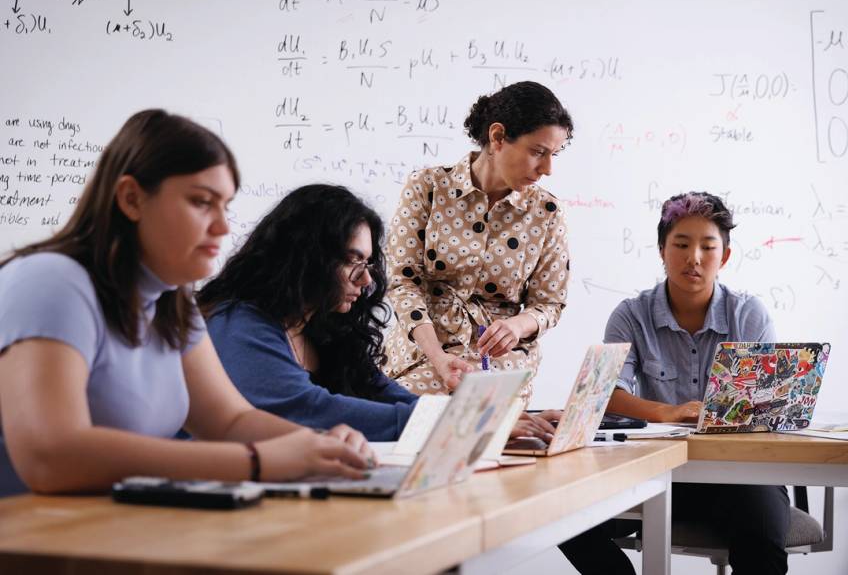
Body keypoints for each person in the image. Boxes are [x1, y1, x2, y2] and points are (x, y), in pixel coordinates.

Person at [0, 110, 373, 497]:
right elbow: (50, 458)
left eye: (225, 206)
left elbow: (229, 421)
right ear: (131, 199)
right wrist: (257, 462)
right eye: (201, 202)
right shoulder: (49, 281)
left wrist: (321, 445)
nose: (223, 226)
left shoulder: (170, 300)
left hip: (107, 530)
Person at [197, 184, 559, 443]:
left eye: (369, 263)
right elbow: (308, 410)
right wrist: (461, 423)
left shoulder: (323, 329)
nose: (367, 279)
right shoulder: (239, 321)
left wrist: (492, 418)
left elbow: (389, 396)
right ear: (306, 258)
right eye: (354, 261)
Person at [560, 191, 788, 575]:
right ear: (662, 250)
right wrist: (670, 413)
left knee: (762, 549)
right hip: (651, 473)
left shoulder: (750, 314)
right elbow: (601, 397)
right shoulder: (630, 315)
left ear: (724, 256)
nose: (693, 258)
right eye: (681, 244)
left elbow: (765, 404)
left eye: (707, 247)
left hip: (738, 474)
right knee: (561, 515)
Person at [383, 81, 572, 401]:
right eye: (538, 152)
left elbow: (550, 304)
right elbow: (403, 283)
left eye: (554, 154)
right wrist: (438, 358)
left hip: (500, 367)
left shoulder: (547, 212)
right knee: (422, 424)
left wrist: (517, 326)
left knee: (489, 429)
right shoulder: (426, 188)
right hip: (422, 356)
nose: (547, 169)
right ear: (498, 137)